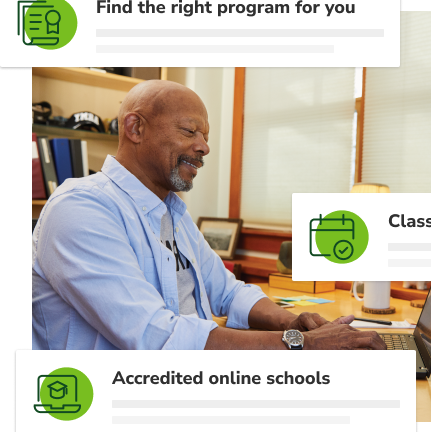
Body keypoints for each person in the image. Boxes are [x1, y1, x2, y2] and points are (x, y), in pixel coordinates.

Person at [32, 80, 386, 351]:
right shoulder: (80, 210)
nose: (205, 146)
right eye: (190, 131)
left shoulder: (172, 212)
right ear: (135, 128)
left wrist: (296, 320)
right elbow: (158, 337)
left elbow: (229, 293)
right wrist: (303, 344)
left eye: (206, 135)